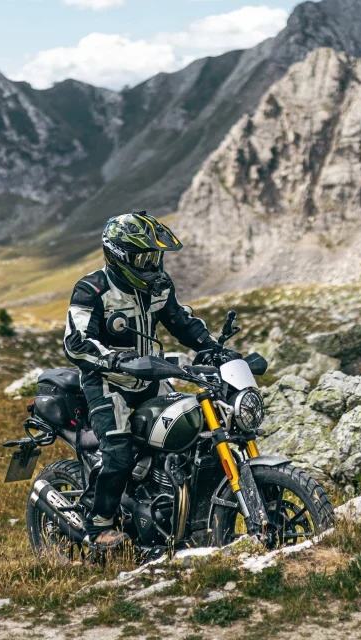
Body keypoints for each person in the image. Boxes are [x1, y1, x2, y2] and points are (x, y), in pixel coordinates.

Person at [63, 211, 239, 551]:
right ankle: (98, 526)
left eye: (155, 257)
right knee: (119, 451)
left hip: (151, 377)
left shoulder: (159, 286)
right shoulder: (92, 289)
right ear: (118, 256)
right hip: (107, 382)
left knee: (191, 432)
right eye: (144, 258)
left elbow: (181, 323)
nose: (153, 265)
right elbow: (77, 342)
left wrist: (214, 349)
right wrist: (113, 359)